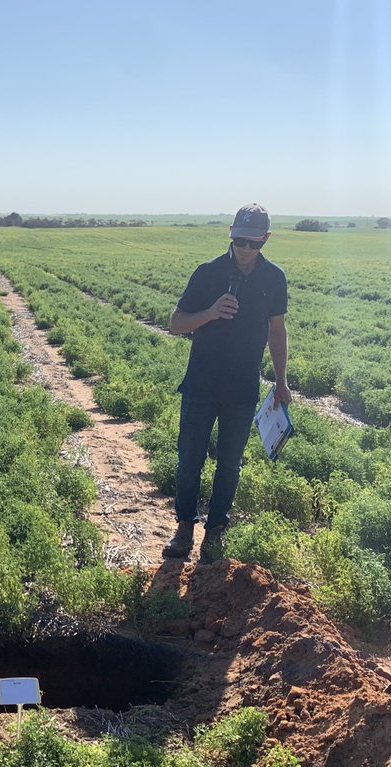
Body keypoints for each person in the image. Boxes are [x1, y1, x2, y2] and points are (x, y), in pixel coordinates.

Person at [162, 203, 290, 563]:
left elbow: (277, 331)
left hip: (242, 389)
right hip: (201, 384)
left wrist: (281, 381)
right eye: (239, 242)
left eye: (254, 243)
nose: (246, 251)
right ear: (230, 235)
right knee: (189, 462)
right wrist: (210, 313)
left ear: (265, 239)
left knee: (230, 466)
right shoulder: (208, 273)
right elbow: (175, 323)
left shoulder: (274, 278)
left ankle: (216, 532)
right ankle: (184, 527)